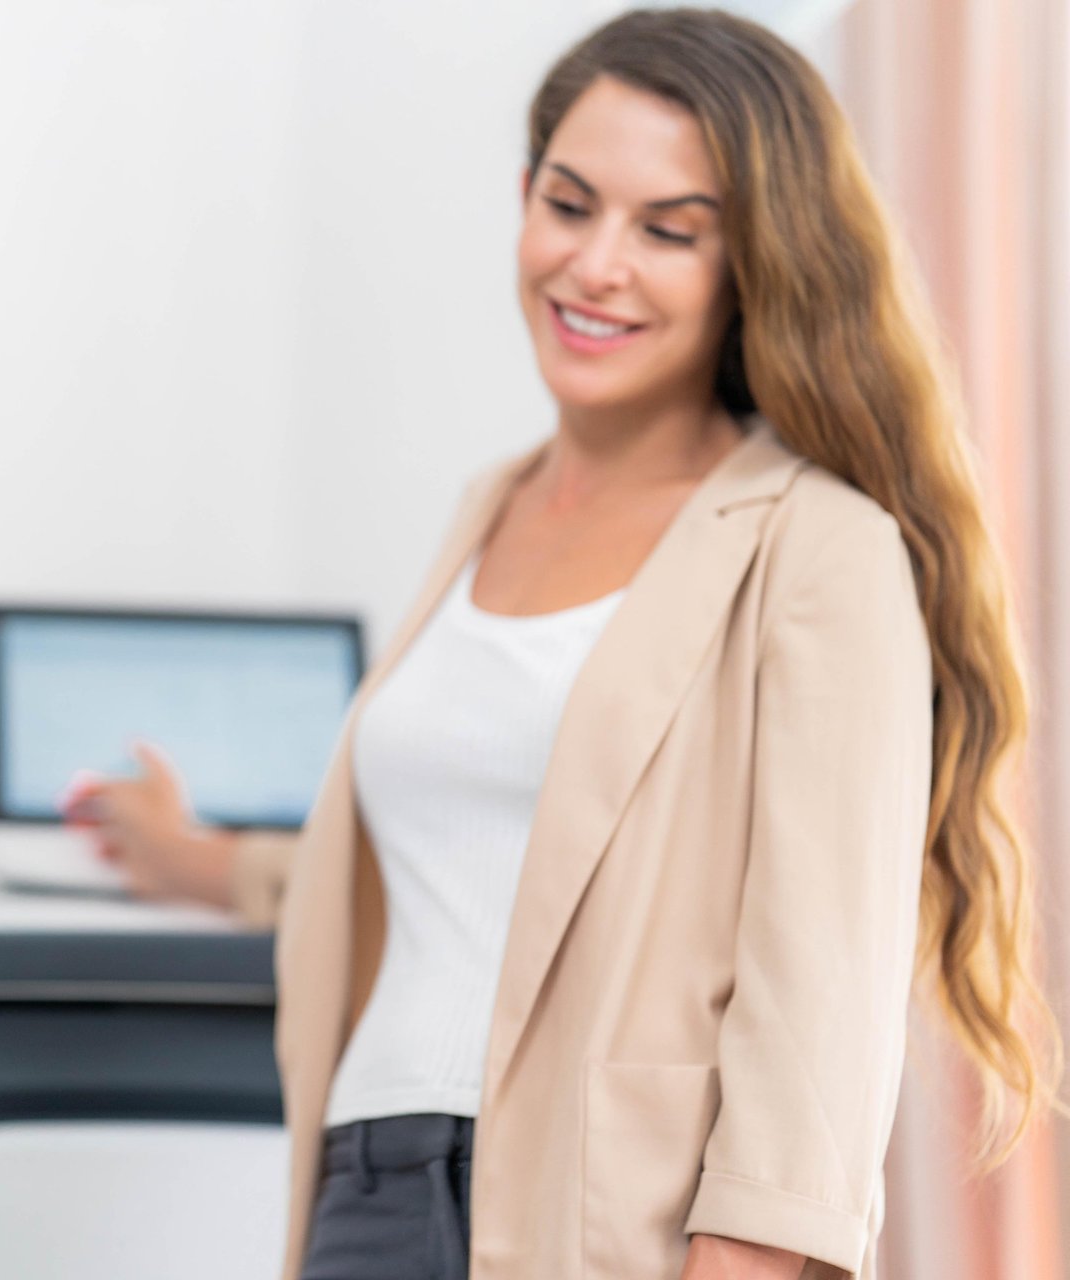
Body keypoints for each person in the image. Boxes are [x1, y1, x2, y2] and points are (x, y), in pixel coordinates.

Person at [76, 10, 1061, 1279]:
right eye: (571, 202)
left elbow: (818, 997)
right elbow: (457, 865)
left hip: (593, 1217)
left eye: (668, 230)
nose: (597, 264)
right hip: (365, 1186)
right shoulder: (487, 505)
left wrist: (747, 1258)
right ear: (523, 198)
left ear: (751, 263)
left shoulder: (816, 546)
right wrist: (190, 855)